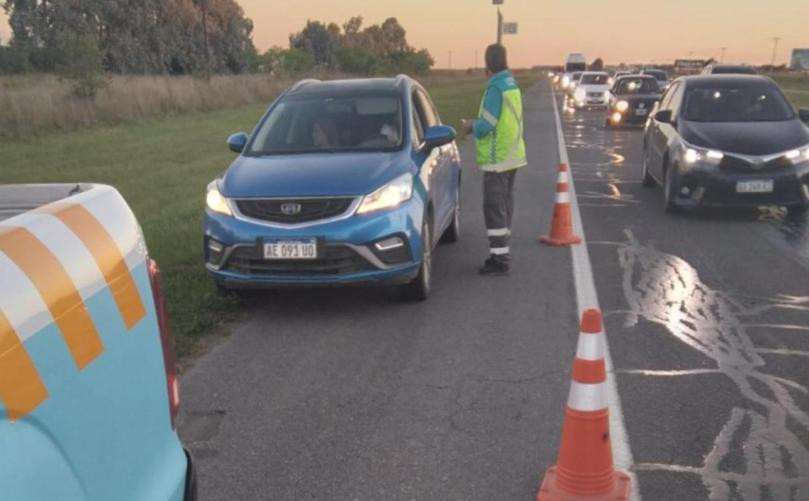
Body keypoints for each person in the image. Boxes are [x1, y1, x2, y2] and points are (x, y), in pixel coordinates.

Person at [461, 44, 527, 276]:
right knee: (505, 207)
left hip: (497, 158)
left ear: (488, 65)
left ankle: (500, 259)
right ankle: (502, 253)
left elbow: (486, 124)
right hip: (512, 156)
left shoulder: (495, 89)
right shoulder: (512, 85)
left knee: (494, 209)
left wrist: (471, 126)